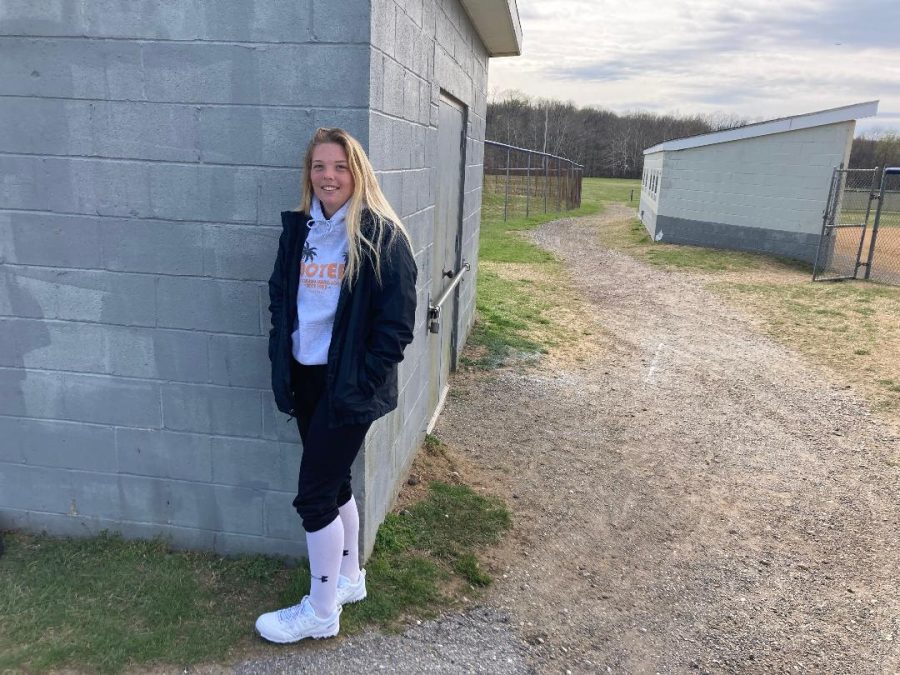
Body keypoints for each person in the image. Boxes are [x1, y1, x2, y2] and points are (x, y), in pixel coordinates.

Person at [255, 128, 418, 643]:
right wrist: (282, 342)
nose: (328, 176)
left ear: (358, 173)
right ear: (310, 174)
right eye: (320, 166)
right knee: (335, 482)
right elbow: (282, 294)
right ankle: (348, 579)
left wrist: (362, 382)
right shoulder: (300, 231)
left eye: (340, 166)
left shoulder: (380, 236)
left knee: (314, 497)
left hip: (347, 386)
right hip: (304, 375)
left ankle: (322, 611)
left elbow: (396, 327)